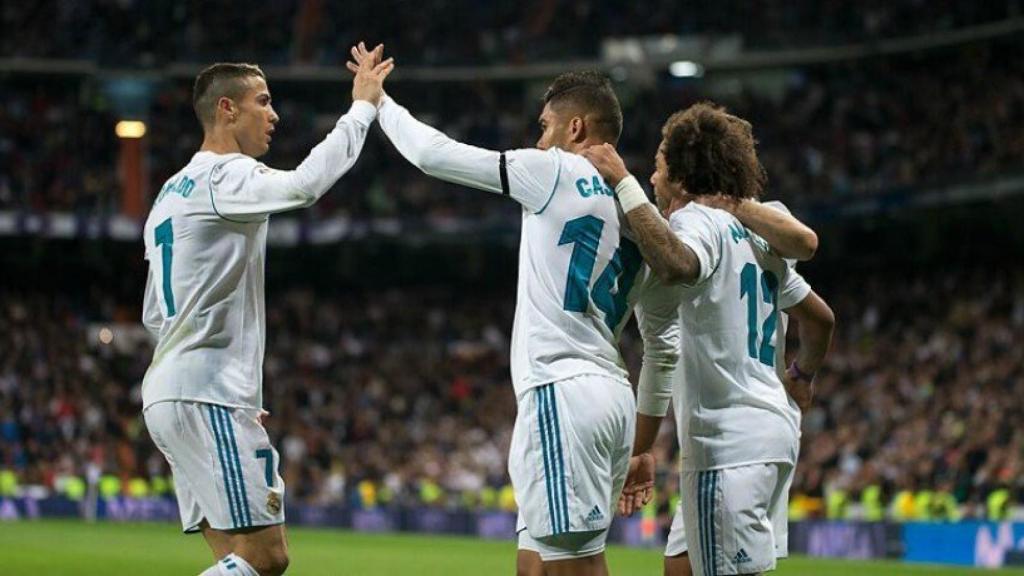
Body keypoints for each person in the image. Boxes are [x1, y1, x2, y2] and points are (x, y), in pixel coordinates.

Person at [140, 51, 393, 576]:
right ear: (227, 110)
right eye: (264, 101)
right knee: (266, 557)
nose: (274, 115)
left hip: (170, 389)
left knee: (235, 560)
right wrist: (362, 108)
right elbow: (303, 185)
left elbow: (153, 315)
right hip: (206, 391)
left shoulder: (168, 193)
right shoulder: (224, 177)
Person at [583, 102, 835, 576]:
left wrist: (623, 187)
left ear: (681, 178)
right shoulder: (757, 233)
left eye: (657, 170)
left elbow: (680, 264)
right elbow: (820, 319)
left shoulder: (695, 221)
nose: (652, 180)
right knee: (680, 567)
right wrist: (801, 374)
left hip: (729, 447)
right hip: (771, 436)